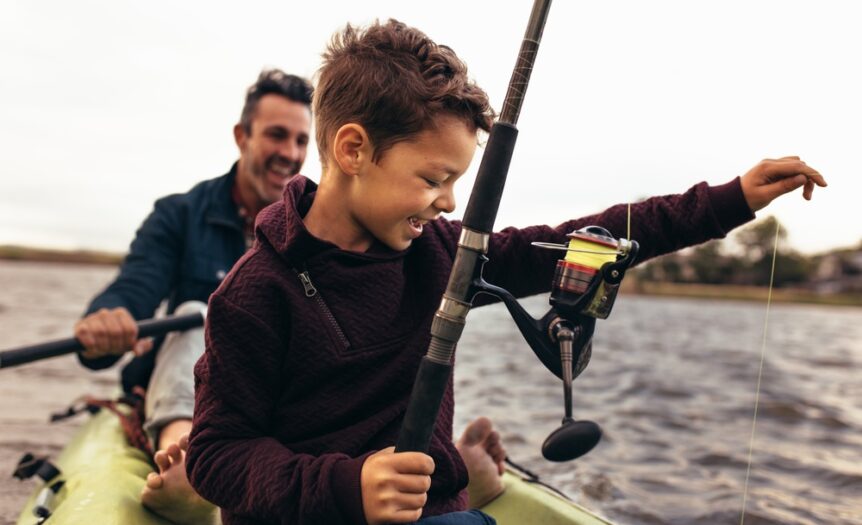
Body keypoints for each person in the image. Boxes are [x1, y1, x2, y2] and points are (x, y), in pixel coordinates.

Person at [184, 19, 826, 525]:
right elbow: (216, 456)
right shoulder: (253, 293)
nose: (449, 202)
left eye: (457, 181)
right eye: (433, 179)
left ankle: (475, 477)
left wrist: (730, 199)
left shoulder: (442, 255)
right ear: (353, 150)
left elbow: (580, 240)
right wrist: (348, 487)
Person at [73, 69, 314, 523]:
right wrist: (110, 316)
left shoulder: (317, 227)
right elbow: (136, 286)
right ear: (242, 137)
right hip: (198, 393)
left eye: (301, 141)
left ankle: (439, 471)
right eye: (277, 136)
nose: (290, 154)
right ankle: (185, 459)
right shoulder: (179, 215)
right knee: (196, 314)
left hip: (273, 395)